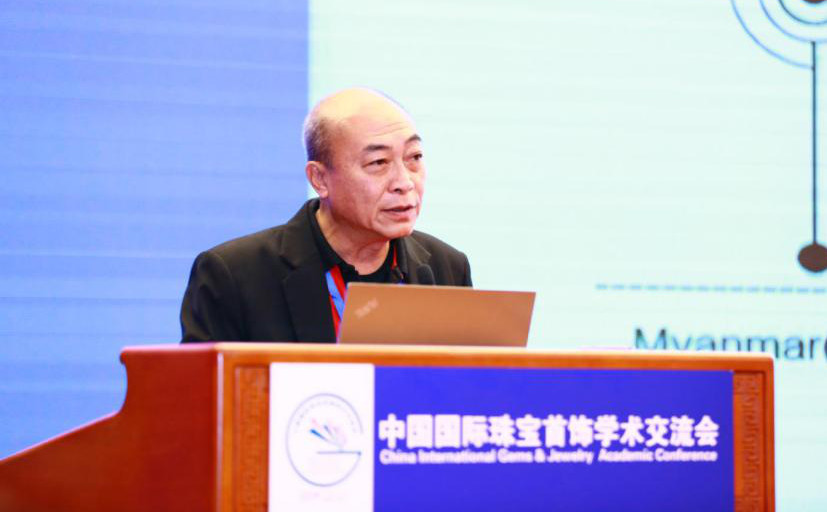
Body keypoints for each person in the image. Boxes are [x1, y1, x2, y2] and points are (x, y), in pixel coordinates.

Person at [180, 87, 472, 343]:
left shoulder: (446, 268)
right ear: (319, 179)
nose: (405, 182)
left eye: (414, 157)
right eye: (378, 162)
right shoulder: (233, 276)